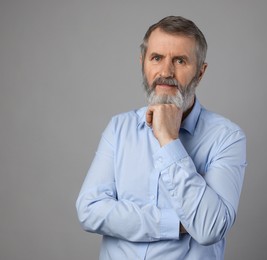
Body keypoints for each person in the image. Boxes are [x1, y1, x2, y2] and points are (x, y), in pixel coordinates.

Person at [76, 16, 247, 260]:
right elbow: (89, 210)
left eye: (180, 60)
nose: (166, 71)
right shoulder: (119, 128)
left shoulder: (227, 138)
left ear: (200, 72)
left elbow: (210, 229)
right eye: (156, 58)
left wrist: (169, 140)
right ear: (142, 63)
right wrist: (177, 223)